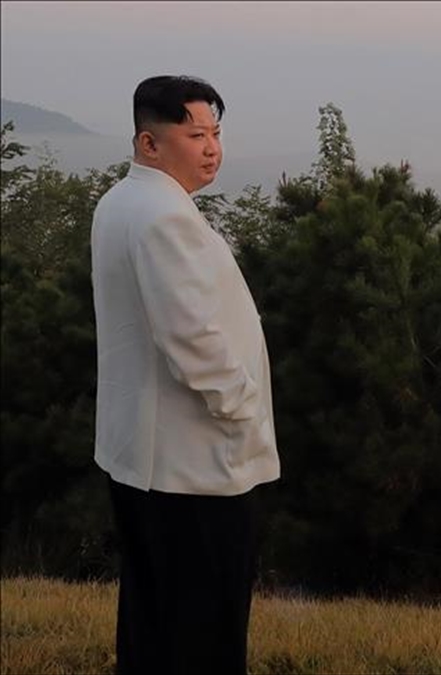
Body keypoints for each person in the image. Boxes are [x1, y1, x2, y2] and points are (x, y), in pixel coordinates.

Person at [91, 75, 280, 675]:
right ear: (149, 143)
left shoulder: (121, 201)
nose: (212, 148)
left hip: (142, 454)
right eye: (196, 135)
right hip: (192, 461)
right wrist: (243, 409)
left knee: (154, 613)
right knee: (205, 623)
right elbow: (192, 338)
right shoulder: (164, 217)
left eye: (216, 133)